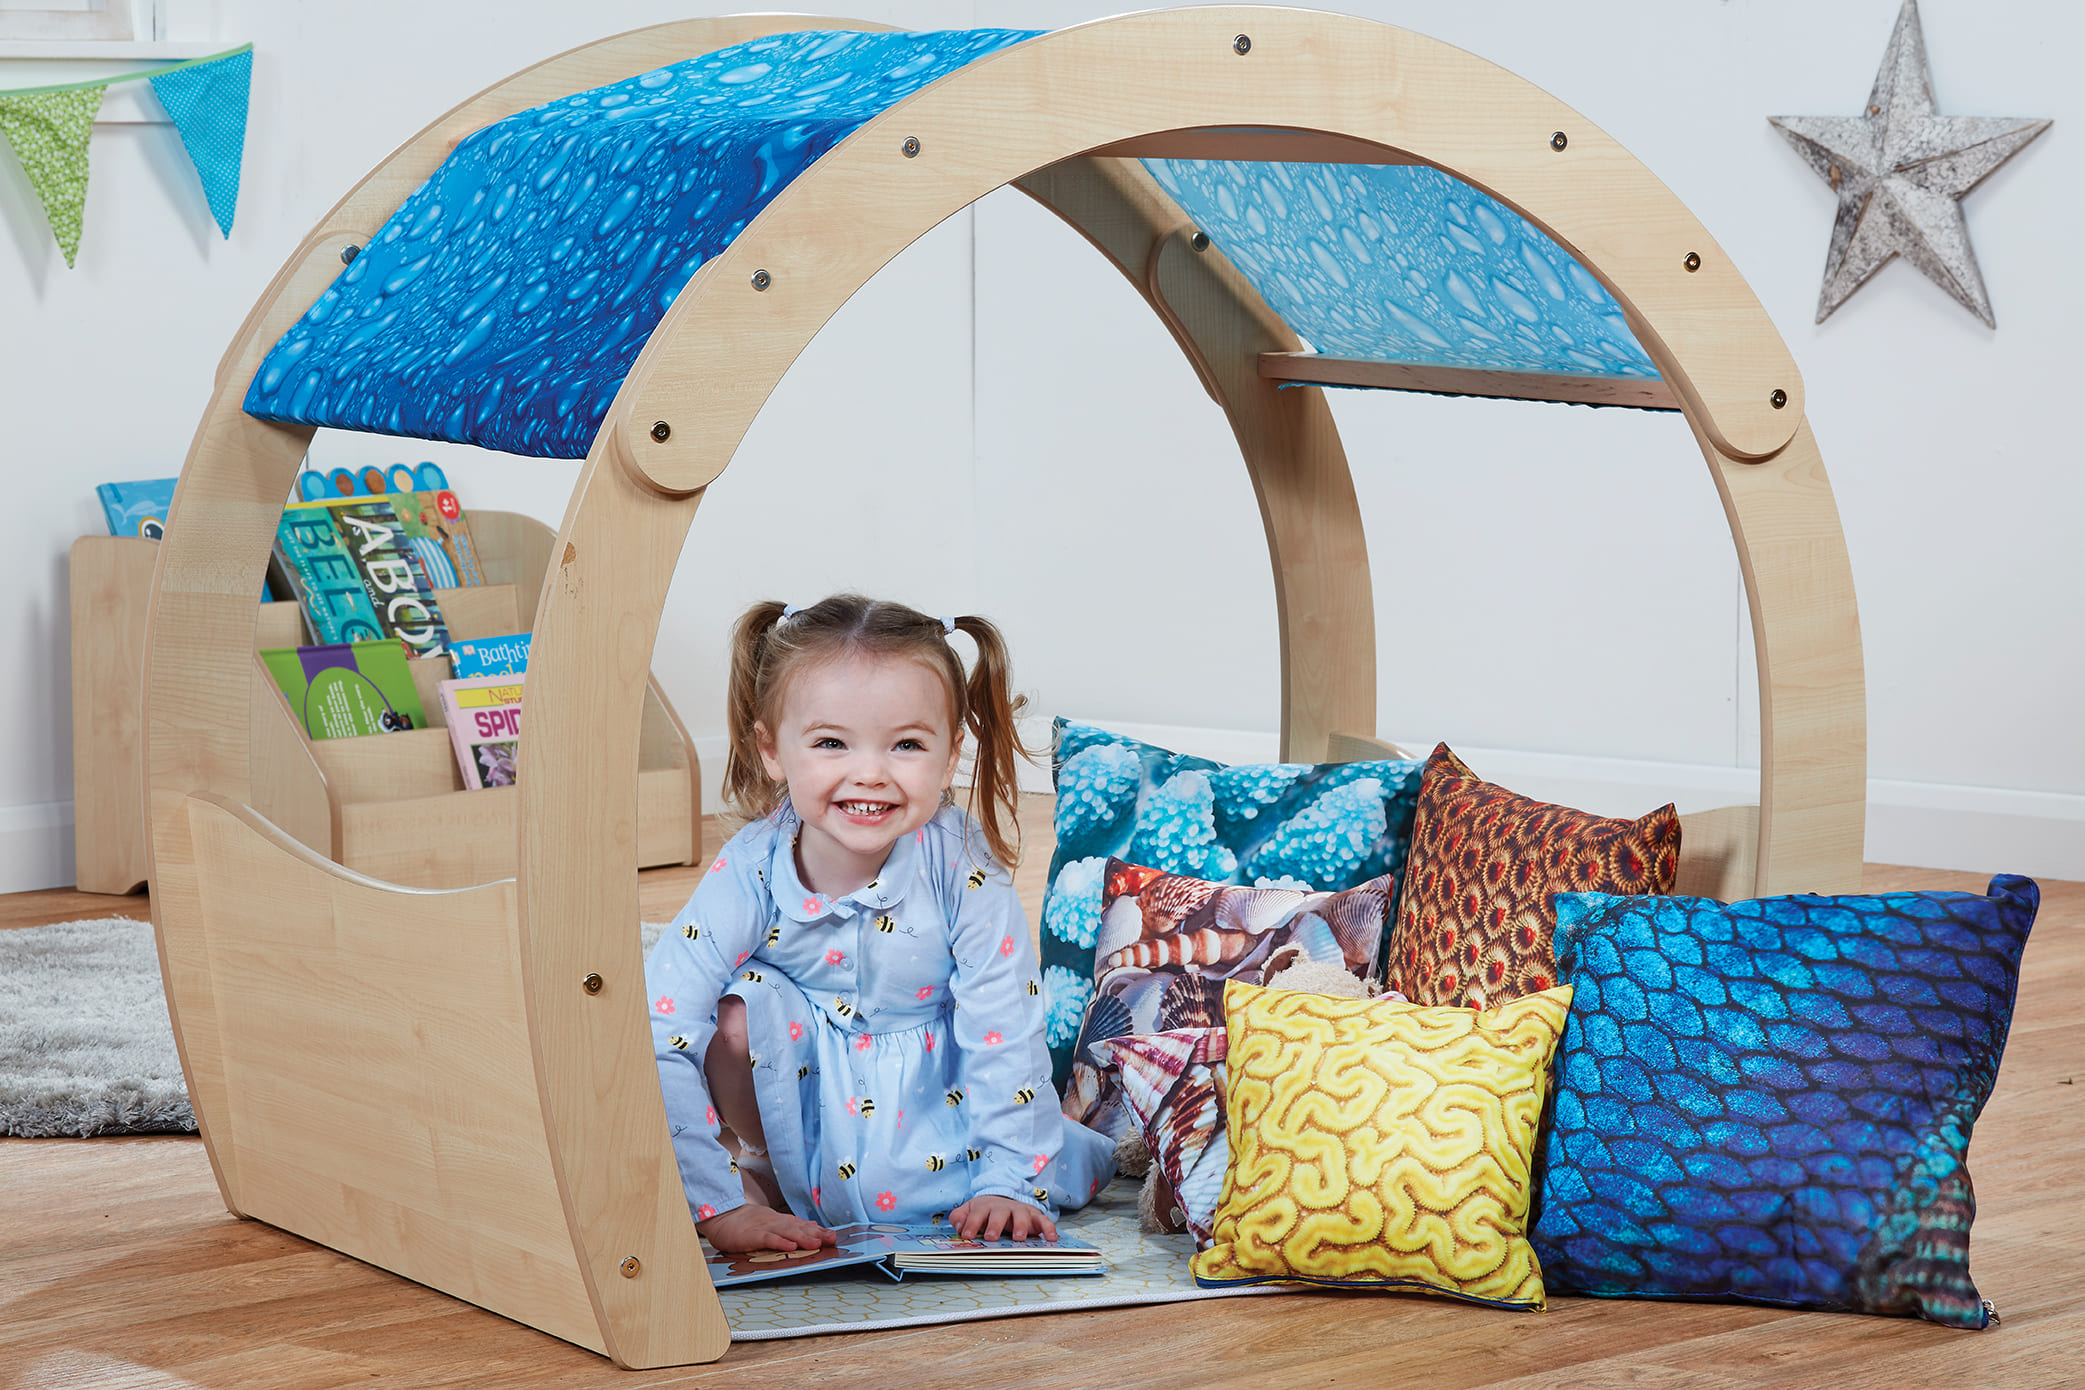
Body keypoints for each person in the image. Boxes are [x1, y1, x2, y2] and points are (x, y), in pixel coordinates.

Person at [646, 595, 1116, 1254]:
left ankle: (968, 1178)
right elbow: (660, 1025)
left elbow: (1003, 1023)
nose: (869, 773)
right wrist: (714, 1200)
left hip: (939, 1099)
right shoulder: (752, 867)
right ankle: (768, 1170)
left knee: (991, 1176)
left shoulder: (960, 863)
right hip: (801, 1095)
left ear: (949, 755)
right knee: (730, 1010)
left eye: (906, 745)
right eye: (831, 743)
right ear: (772, 750)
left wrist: (1009, 1180)